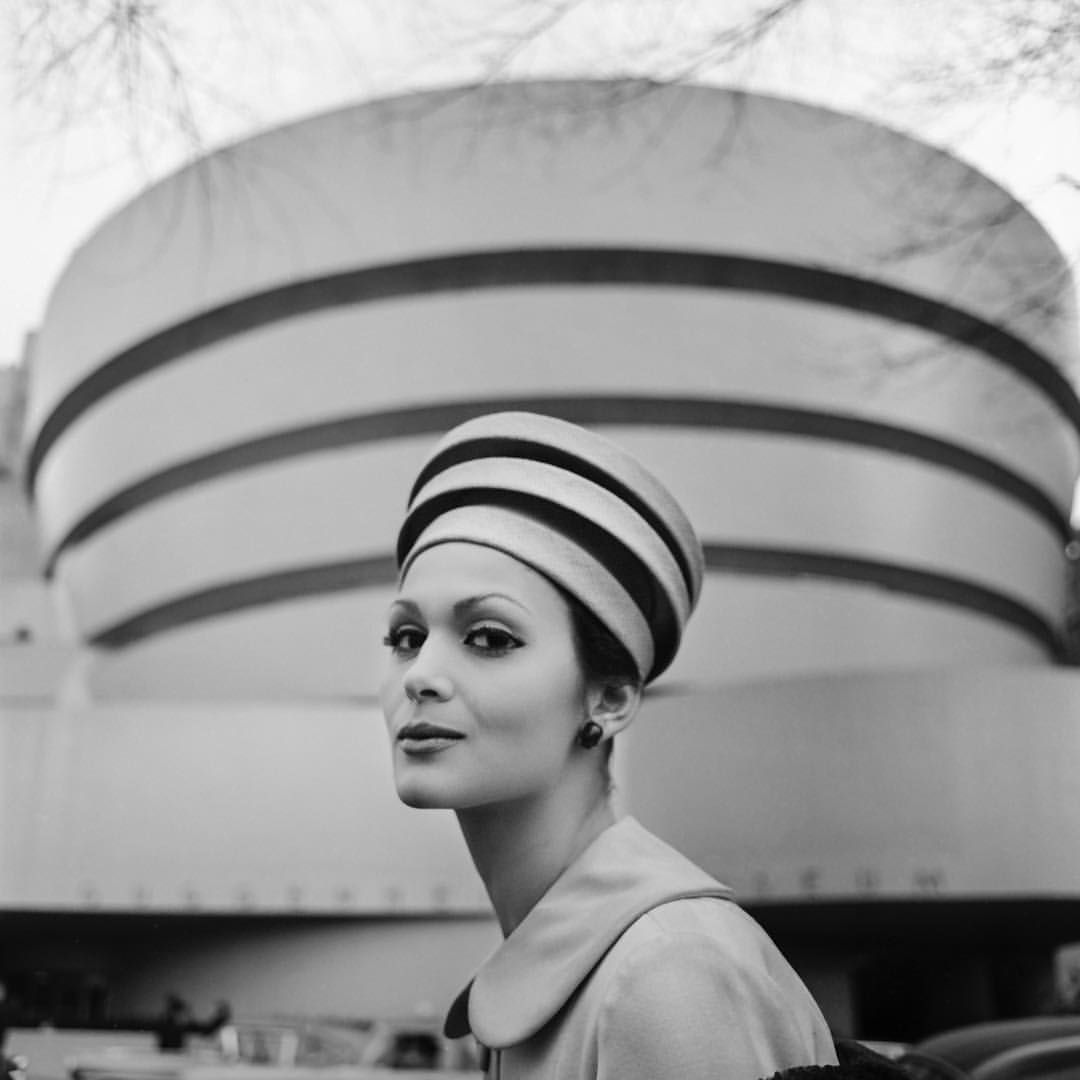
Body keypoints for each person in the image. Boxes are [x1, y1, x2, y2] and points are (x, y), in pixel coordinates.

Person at [379, 412, 839, 1080]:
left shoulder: (665, 974)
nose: (419, 675)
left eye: (490, 638)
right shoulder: (614, 959)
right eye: (405, 637)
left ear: (611, 698)